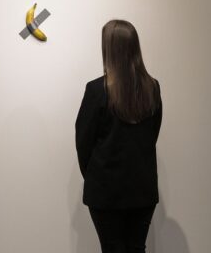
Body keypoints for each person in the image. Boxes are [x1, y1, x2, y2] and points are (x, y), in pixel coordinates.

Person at [75, 19, 163, 253]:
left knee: (112, 248)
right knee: (136, 249)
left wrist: (96, 176)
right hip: (142, 190)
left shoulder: (96, 90)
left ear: (109, 49)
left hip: (105, 191)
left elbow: (83, 143)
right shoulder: (152, 88)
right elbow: (152, 135)